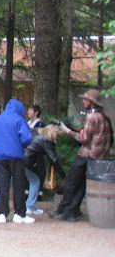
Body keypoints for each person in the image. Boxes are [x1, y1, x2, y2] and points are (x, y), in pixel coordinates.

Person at [51, 90, 113, 222]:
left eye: (85, 99)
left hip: (86, 155)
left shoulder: (92, 117)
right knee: (82, 186)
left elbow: (84, 139)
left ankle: (64, 210)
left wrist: (67, 130)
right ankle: (72, 211)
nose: (83, 101)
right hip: (98, 158)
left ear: (91, 102)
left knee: (71, 183)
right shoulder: (104, 117)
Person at [0, 98, 34, 224]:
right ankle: (19, 214)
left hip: (0, 156)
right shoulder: (19, 120)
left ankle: (2, 213)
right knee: (18, 185)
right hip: (16, 156)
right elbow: (27, 137)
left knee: (2, 185)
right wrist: (20, 145)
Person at [24, 124, 66, 216]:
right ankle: (30, 207)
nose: (58, 138)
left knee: (32, 181)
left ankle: (31, 206)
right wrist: (63, 176)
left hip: (23, 158)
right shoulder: (46, 141)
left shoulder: (37, 134)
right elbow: (53, 159)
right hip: (27, 161)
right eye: (58, 136)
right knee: (35, 182)